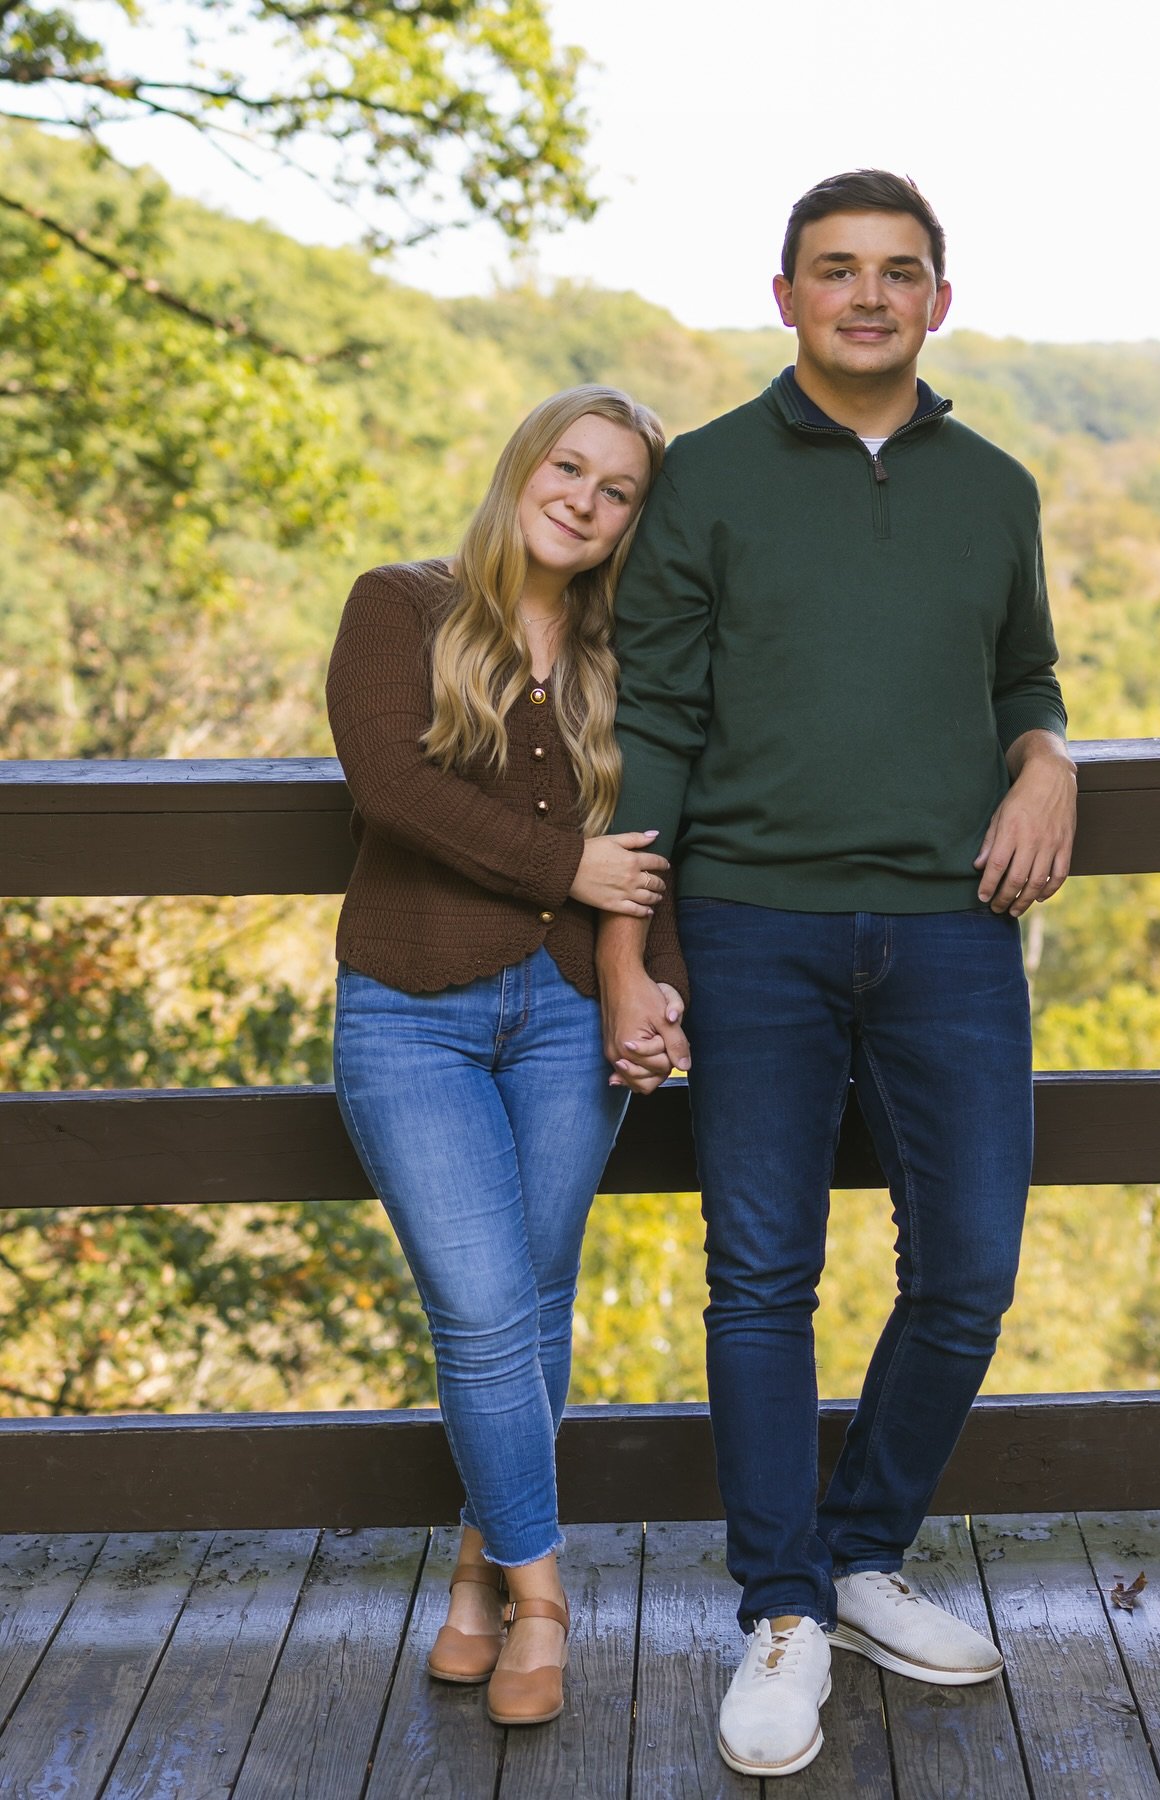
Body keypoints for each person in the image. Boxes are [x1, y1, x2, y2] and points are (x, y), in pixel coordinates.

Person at [597, 171, 1076, 1779]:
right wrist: (625, 945)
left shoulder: (997, 486)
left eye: (898, 273)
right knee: (760, 1277)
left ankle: (865, 1554)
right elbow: (655, 716)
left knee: (970, 1270)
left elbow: (1024, 669)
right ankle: (784, 1609)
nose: (866, 296)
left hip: (950, 928)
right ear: (787, 294)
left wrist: (1049, 755)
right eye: (835, 271)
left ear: (940, 299)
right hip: (751, 924)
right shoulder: (708, 478)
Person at [326, 386, 687, 1729]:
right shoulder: (400, 607)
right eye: (569, 466)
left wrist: (649, 987)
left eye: (617, 490)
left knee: (534, 1304)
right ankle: (548, 1600)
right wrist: (565, 862)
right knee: (481, 1310)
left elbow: (663, 845)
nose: (583, 500)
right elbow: (391, 787)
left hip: (563, 1018)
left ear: (633, 521)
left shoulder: (631, 656)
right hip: (409, 1009)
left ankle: (479, 1581)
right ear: (522, 464)